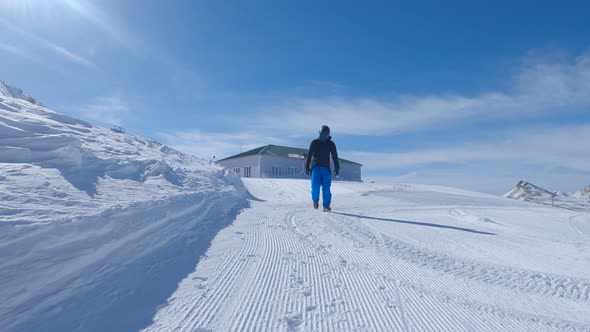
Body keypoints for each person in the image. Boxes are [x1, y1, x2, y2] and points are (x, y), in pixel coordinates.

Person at [305, 125, 340, 211]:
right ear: (319, 134)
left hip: (326, 169)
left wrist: (337, 167)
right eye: (322, 135)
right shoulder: (314, 142)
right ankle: (315, 201)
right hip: (316, 168)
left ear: (328, 135)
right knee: (315, 186)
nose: (323, 137)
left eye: (325, 135)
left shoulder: (331, 144)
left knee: (326, 188)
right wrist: (306, 167)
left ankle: (326, 205)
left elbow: (335, 156)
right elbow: (309, 155)